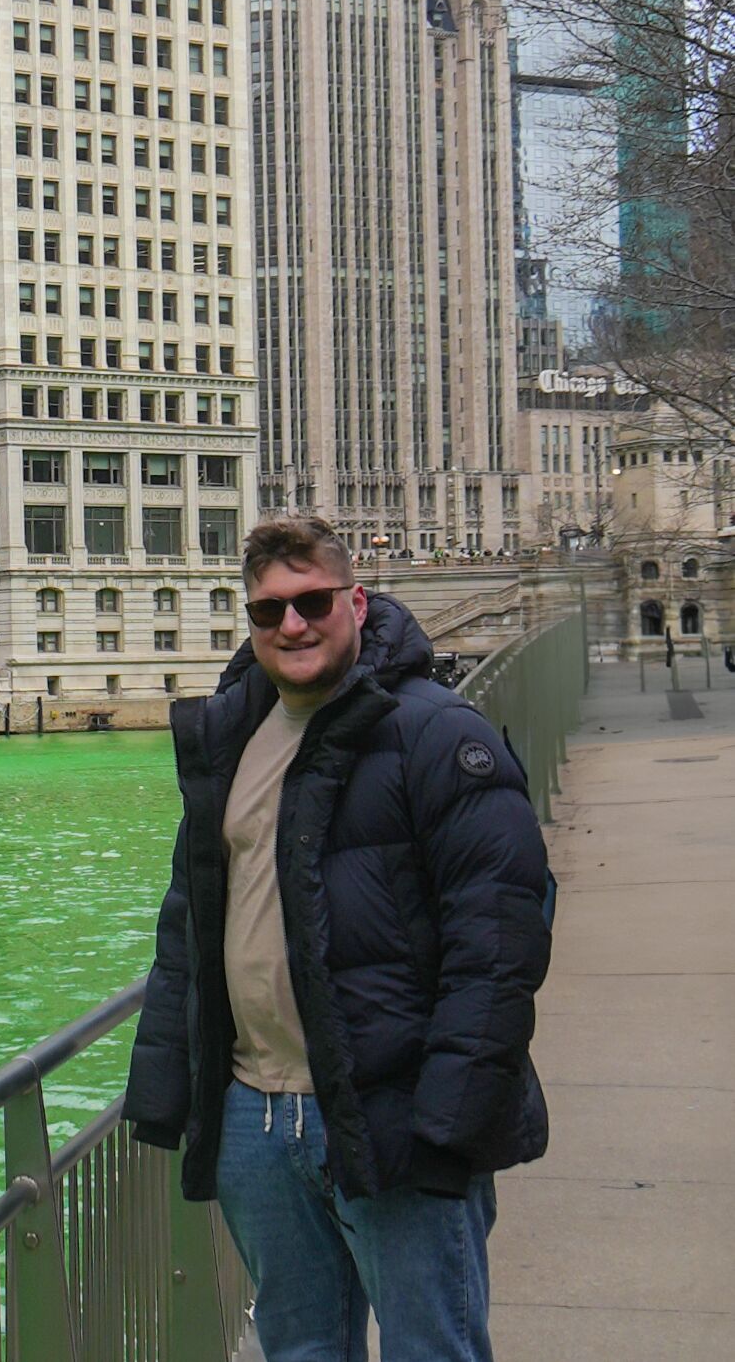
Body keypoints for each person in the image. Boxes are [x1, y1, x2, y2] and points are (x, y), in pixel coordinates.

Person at [126, 515, 551, 1362]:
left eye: (313, 600)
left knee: (433, 1346)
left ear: (356, 600)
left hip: (393, 1113)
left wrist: (449, 1119)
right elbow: (190, 927)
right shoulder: (230, 739)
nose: (292, 624)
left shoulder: (439, 734)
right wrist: (170, 1091)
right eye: (268, 610)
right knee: (302, 1349)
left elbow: (500, 941)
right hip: (257, 1116)